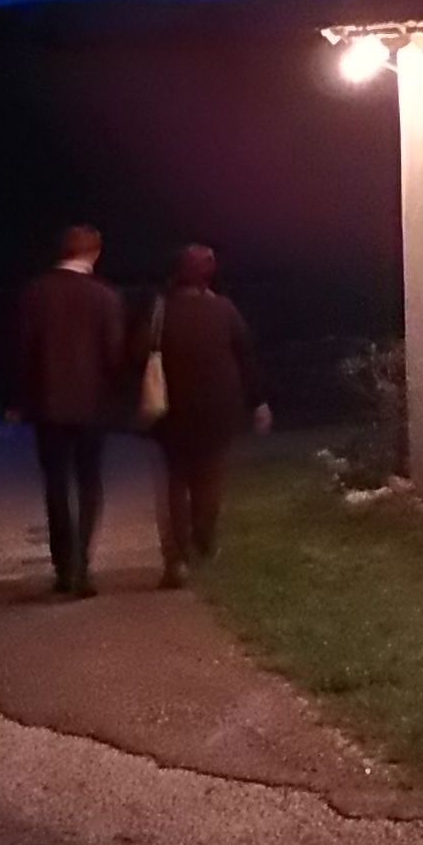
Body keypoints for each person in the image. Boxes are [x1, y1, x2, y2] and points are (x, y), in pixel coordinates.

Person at [136, 244, 269, 588]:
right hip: (218, 409)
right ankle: (205, 539)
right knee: (210, 478)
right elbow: (246, 356)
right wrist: (258, 402)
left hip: (171, 410)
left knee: (175, 483)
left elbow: (139, 355)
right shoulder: (225, 309)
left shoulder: (160, 310)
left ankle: (178, 559)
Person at [7, 224, 126, 596]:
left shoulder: (36, 292)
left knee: (56, 483)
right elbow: (114, 355)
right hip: (93, 405)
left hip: (49, 404)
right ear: (95, 253)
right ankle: (83, 562)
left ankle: (64, 565)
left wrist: (16, 399)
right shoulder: (106, 296)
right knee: (89, 481)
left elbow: (22, 351)